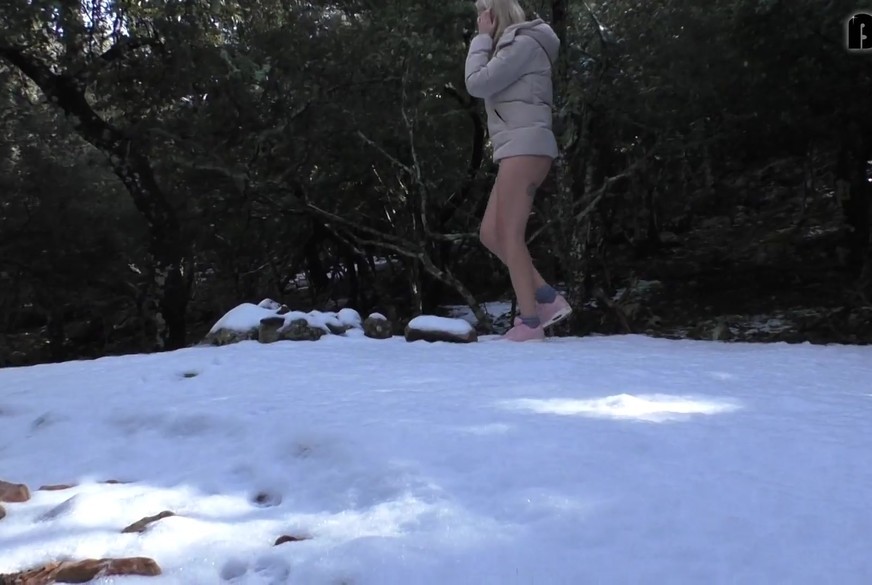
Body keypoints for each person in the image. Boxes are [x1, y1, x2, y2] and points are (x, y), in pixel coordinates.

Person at [465, 0, 571, 341]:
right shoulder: (518, 47)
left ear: (493, 15)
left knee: (510, 234)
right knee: (490, 234)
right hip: (519, 147)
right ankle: (546, 298)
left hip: (525, 147)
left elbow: (477, 83)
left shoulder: (522, 44)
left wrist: (481, 39)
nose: (479, 20)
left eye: (482, 15)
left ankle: (530, 323)